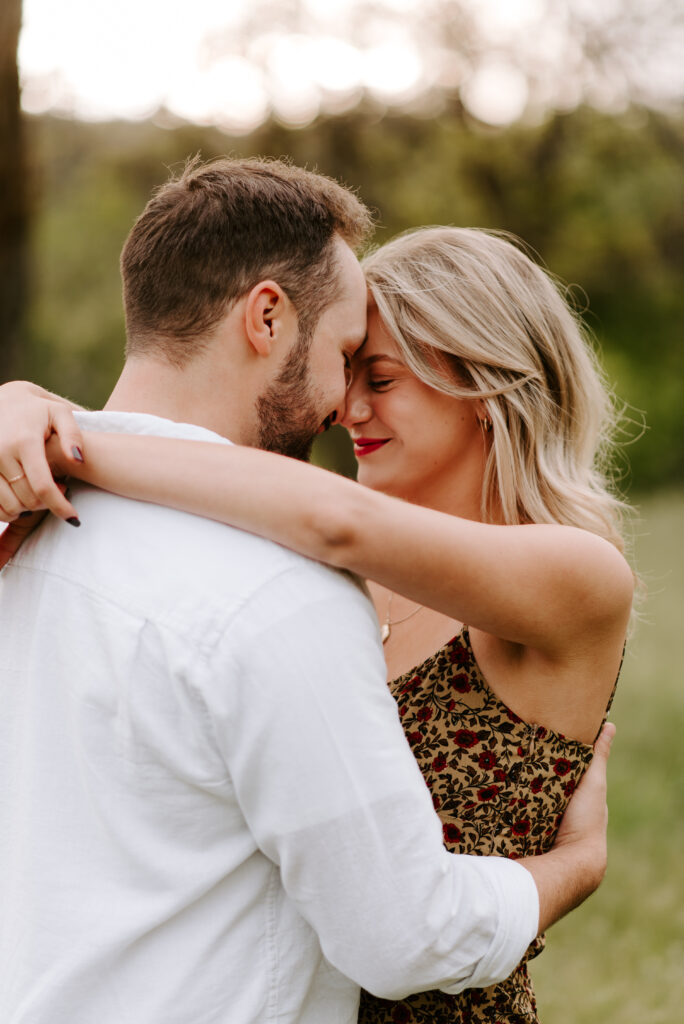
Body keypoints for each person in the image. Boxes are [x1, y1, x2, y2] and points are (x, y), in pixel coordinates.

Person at [0, 163, 619, 1024]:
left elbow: (335, 520)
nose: (345, 406)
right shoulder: (311, 587)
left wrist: (75, 442)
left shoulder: (576, 572)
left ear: (486, 386)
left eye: (382, 377)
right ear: (265, 318)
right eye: (347, 364)